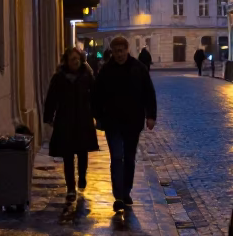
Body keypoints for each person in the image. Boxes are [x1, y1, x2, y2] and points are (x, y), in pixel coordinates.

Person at [92, 35, 157, 212]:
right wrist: (98, 116)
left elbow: (149, 93)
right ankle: (118, 196)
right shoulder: (106, 71)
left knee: (129, 158)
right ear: (112, 52)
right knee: (116, 157)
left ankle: (126, 190)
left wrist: (150, 116)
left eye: (121, 51)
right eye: (116, 51)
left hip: (133, 122)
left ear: (127, 50)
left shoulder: (139, 68)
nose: (119, 54)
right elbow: (97, 96)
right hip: (112, 122)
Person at [43, 48, 98, 196]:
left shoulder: (87, 76)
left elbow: (95, 97)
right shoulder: (59, 77)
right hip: (65, 120)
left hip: (83, 120)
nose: (75, 61)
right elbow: (51, 98)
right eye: (72, 59)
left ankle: (82, 178)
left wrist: (98, 115)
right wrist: (48, 116)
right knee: (67, 155)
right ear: (66, 61)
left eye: (77, 58)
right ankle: (71, 187)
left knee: (82, 152)